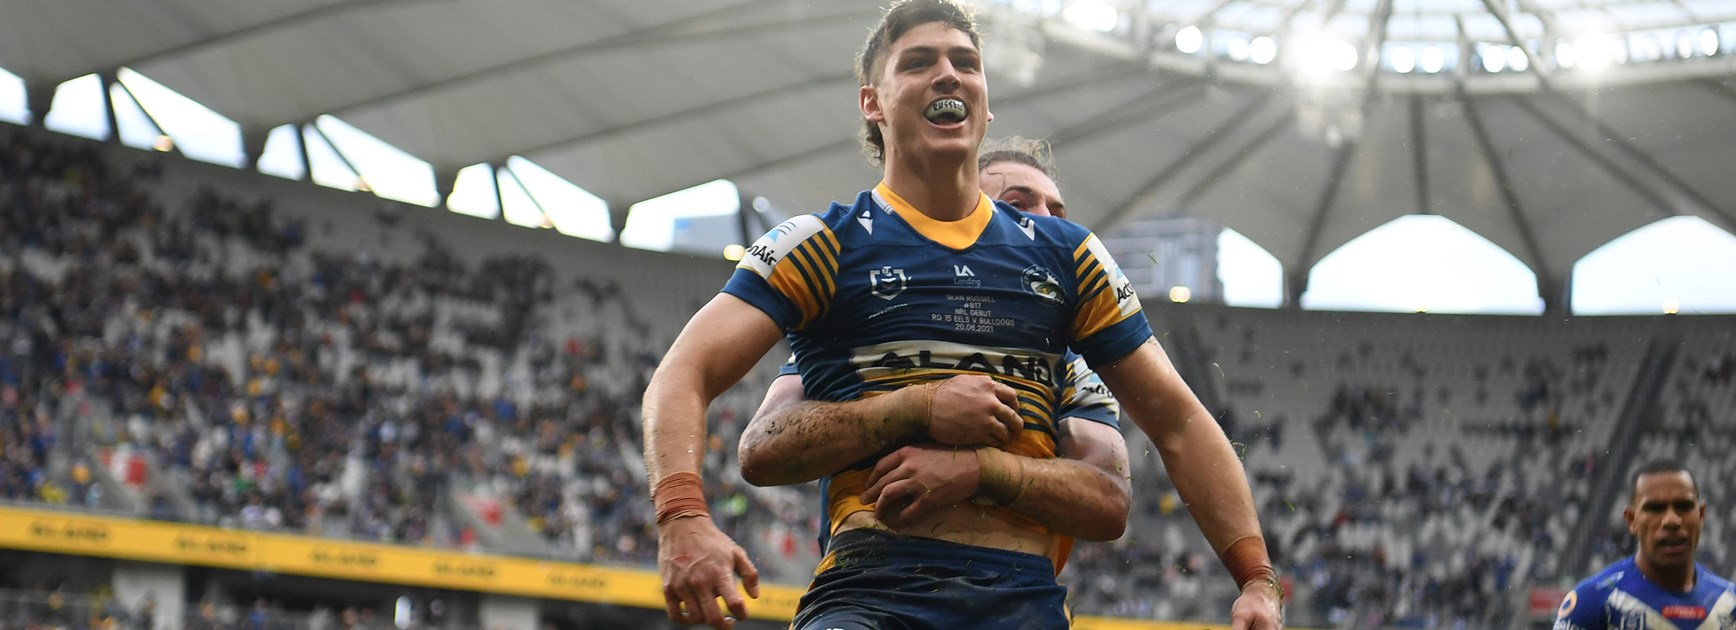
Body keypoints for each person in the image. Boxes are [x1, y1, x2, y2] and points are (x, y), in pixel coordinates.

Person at [640, 2, 1281, 629]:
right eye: (919, 61)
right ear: (872, 102)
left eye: (966, 63)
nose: (948, 74)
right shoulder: (820, 244)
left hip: (1022, 600)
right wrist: (681, 514)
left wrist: (1256, 578)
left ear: (985, 102)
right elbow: (685, 374)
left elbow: (1178, 422)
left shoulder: (1071, 256)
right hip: (870, 588)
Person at [738, 136, 1129, 582]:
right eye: (1018, 205)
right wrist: (916, 407)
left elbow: (1111, 504)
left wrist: (982, 470)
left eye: (1057, 213)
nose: (1045, 223)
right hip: (868, 582)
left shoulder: (1073, 361)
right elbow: (761, 450)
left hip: (1018, 594)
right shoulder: (858, 324)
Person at [1554, 459, 1735, 629]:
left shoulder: (1729, 603)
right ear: (1631, 520)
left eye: (1683, 506)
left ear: (1701, 515)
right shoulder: (1592, 602)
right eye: (1655, 508)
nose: (1671, 520)